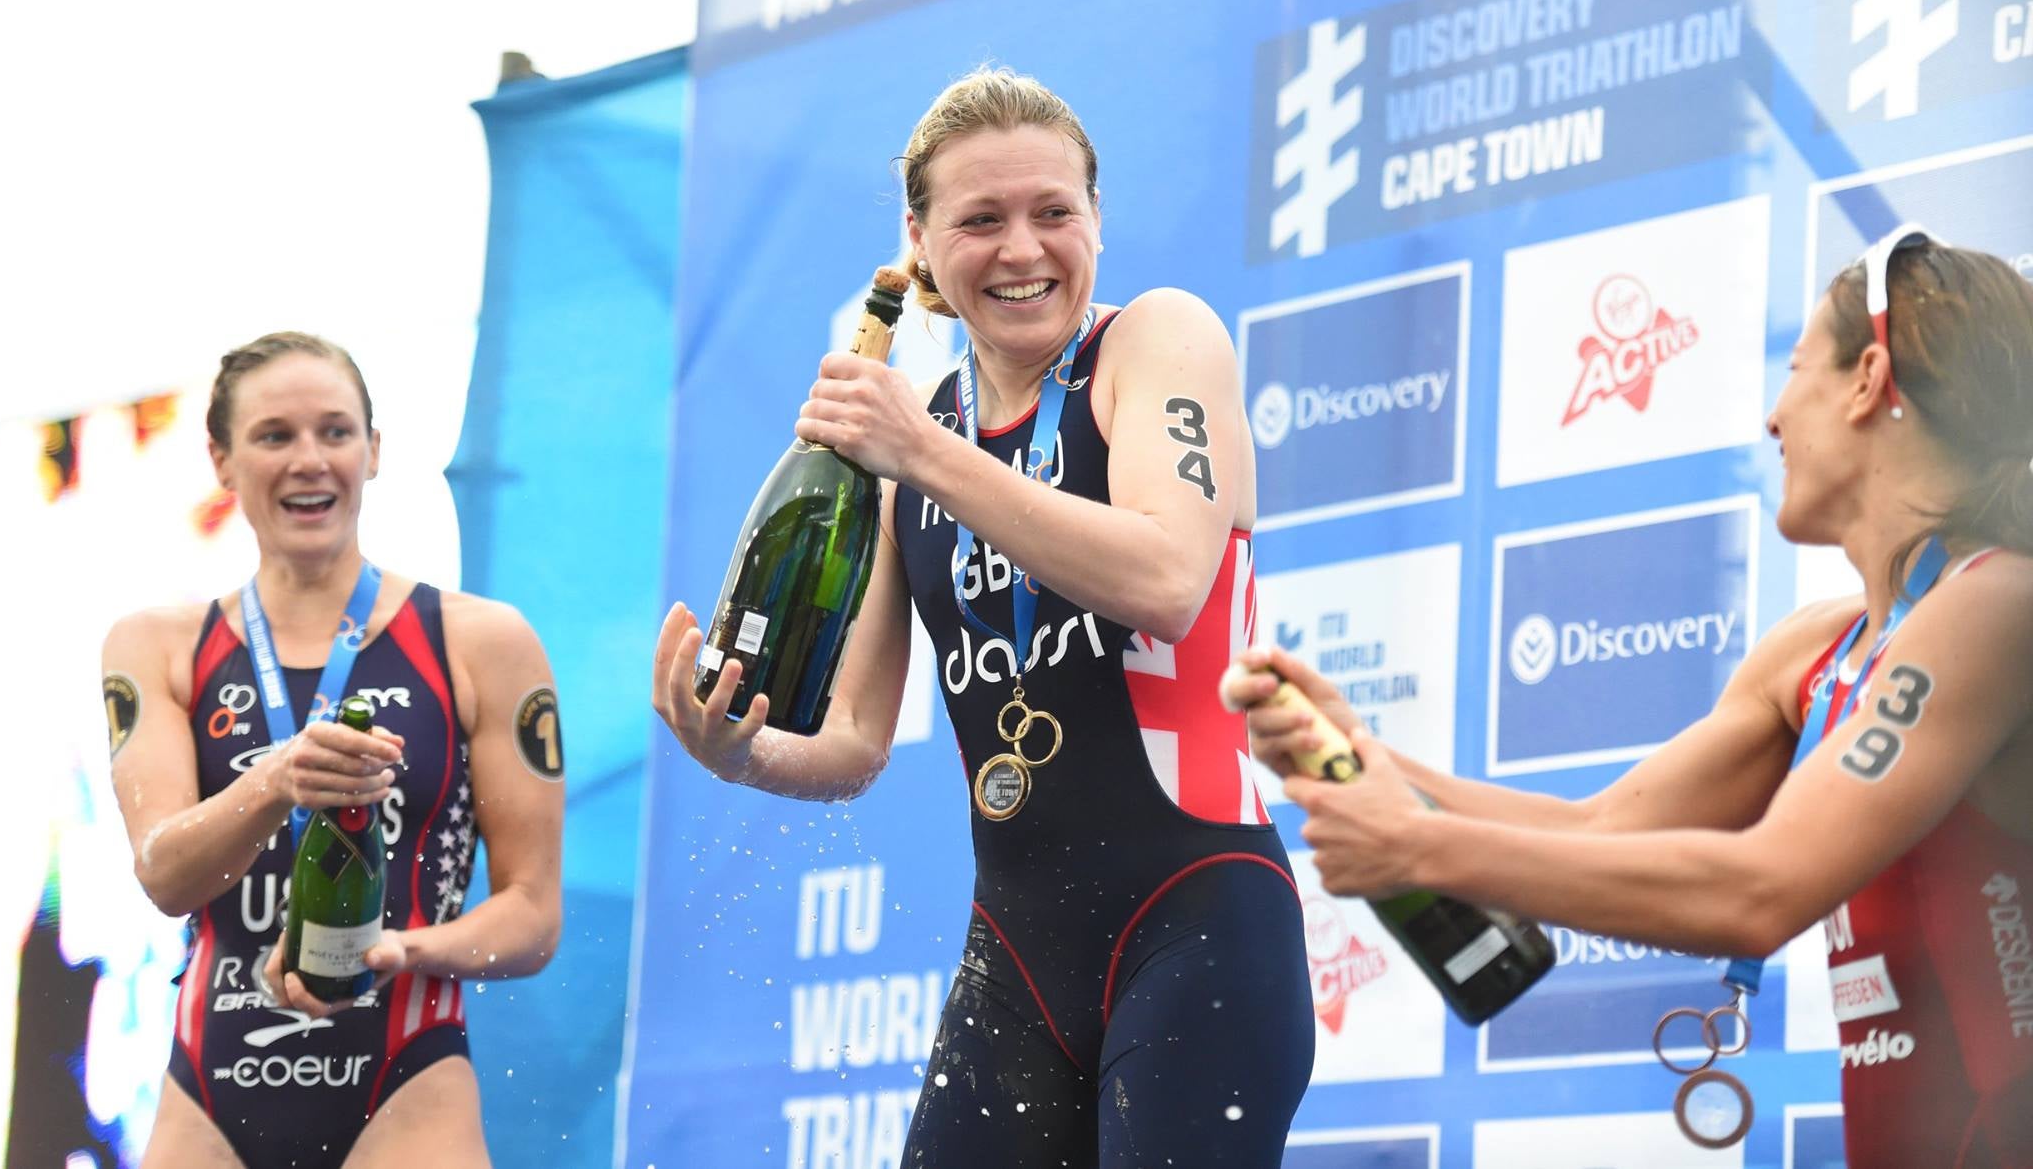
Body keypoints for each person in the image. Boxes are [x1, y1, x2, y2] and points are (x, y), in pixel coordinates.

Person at [1223, 231, 2033, 1168]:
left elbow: (1763, 888)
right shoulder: (1817, 649)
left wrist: (1417, 843)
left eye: (1797, 367)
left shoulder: (1998, 604)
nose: (1774, 417)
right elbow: (1603, 830)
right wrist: (1363, 753)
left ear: (1868, 378)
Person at [655, 67, 1313, 1167]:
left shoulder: (1153, 342)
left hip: (1200, 919)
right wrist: (733, 747)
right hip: (1014, 953)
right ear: (919, 242)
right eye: (981, 220)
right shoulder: (907, 450)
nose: (1023, 249)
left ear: (1094, 217)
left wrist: (919, 451)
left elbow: (1164, 579)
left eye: (1053, 211)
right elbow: (854, 740)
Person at [105, 332, 565, 1169]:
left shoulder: (481, 641)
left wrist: (403, 949)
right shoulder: (159, 643)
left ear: (375, 450)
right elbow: (165, 875)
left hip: (406, 1082)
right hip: (210, 1092)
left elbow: (533, 917)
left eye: (336, 432)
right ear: (221, 459)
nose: (309, 460)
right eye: (275, 435)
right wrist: (278, 779)